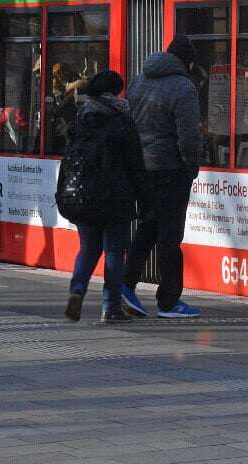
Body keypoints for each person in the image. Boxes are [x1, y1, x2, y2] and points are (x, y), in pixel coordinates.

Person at [121, 36, 204, 319]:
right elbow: (189, 137)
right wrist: (190, 169)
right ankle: (169, 301)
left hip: (143, 171)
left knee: (147, 229)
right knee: (170, 236)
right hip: (170, 170)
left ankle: (126, 284)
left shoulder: (138, 81)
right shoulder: (184, 87)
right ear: (188, 61)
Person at [64, 70, 147, 324]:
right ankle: (110, 308)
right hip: (114, 197)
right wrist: (145, 199)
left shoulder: (80, 119)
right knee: (113, 252)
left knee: (88, 248)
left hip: (83, 195)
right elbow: (136, 165)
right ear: (116, 92)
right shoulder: (121, 121)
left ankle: (77, 290)